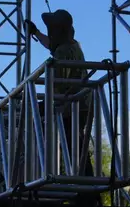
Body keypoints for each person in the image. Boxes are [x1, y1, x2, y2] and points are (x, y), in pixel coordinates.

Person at [26, 9, 94, 176]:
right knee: (77, 147)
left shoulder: (62, 52)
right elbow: (51, 44)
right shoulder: (73, 45)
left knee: (74, 148)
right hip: (81, 105)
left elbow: (57, 85)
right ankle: (87, 187)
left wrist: (48, 105)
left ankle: (84, 187)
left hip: (70, 106)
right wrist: (35, 32)